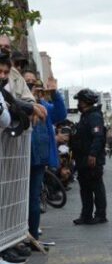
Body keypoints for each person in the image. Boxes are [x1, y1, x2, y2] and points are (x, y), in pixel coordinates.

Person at [24, 73, 66, 246]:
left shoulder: (43, 105)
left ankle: (33, 235)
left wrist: (55, 93)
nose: (33, 86)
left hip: (38, 159)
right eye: (28, 83)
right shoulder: (20, 103)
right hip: (19, 158)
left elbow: (60, 113)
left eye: (35, 83)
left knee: (33, 197)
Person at [71, 89, 108, 225]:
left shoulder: (94, 116)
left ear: (86, 102)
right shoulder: (85, 116)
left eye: (80, 101)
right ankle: (86, 215)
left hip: (91, 158)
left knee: (96, 187)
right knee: (85, 188)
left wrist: (93, 154)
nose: (78, 104)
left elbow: (98, 137)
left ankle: (100, 215)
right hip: (82, 158)